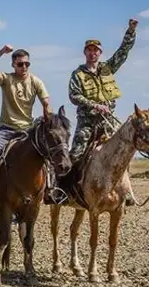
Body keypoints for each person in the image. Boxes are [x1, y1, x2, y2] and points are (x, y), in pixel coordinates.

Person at [54, 18, 139, 204]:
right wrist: (94, 105)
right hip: (88, 123)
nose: (93, 53)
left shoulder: (107, 68)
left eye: (96, 50)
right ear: (85, 52)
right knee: (75, 153)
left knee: (124, 149)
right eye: (89, 50)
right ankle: (61, 190)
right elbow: (74, 96)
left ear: (100, 53)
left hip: (108, 121)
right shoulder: (78, 74)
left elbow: (123, 52)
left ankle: (127, 192)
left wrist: (131, 31)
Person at [0, 45, 51, 201]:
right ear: (13, 65)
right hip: (6, 130)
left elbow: (46, 102)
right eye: (20, 64)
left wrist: (47, 116)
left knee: (49, 152)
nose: (24, 67)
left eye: (27, 64)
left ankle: (50, 189)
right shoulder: (7, 79)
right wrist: (0, 52)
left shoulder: (36, 82)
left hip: (28, 130)